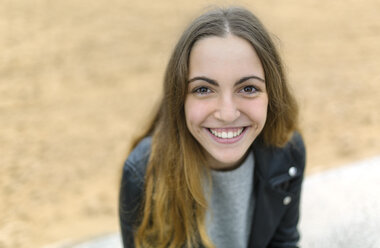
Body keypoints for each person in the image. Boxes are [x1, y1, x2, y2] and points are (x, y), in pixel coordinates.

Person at [119, 6, 306, 248]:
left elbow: (283, 242)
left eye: (248, 88)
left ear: (272, 94)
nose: (227, 114)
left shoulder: (288, 151)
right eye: (203, 89)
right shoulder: (142, 173)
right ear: (180, 99)